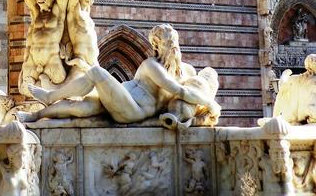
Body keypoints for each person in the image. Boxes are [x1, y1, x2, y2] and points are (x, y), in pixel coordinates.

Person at [23, 24, 221, 125]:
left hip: (133, 110)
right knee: (80, 107)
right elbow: (180, 91)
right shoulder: (151, 64)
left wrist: (209, 103)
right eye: (168, 43)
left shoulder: (183, 71)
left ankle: (50, 96)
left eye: (174, 42)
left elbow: (182, 91)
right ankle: (35, 115)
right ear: (157, 46)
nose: (173, 47)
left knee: (97, 73)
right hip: (121, 99)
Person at [19, 0, 69, 95]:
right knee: (27, 92)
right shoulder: (36, 14)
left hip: (52, 61)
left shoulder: (58, 13)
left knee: (57, 94)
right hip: (32, 61)